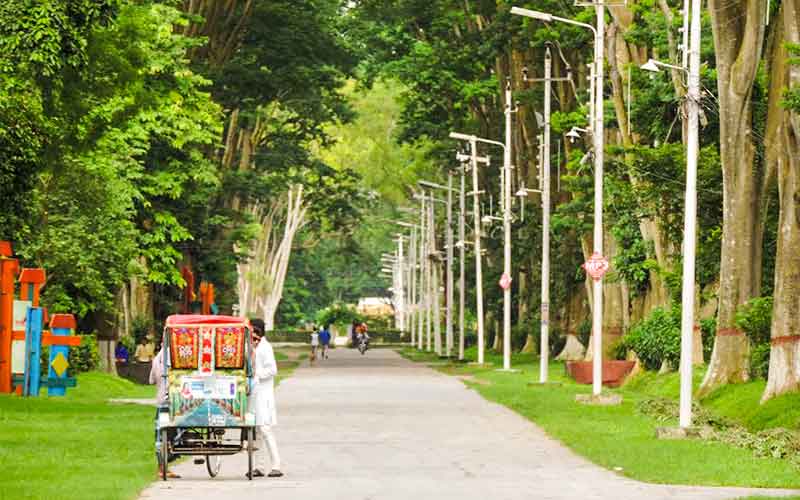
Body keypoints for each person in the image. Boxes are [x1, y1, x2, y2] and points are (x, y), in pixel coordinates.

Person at [248, 319, 283, 479]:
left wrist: (257, 376)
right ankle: (259, 466)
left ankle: (276, 465)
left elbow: (273, 370)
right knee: (256, 431)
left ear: (258, 332)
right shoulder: (253, 348)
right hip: (255, 395)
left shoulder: (265, 348)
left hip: (264, 394)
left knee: (265, 429)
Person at [149, 344, 180, 479]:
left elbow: (151, 380)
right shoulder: (176, 357)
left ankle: (163, 467)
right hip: (176, 401)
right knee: (173, 435)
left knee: (161, 435)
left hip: (162, 400)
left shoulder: (157, 359)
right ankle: (164, 467)